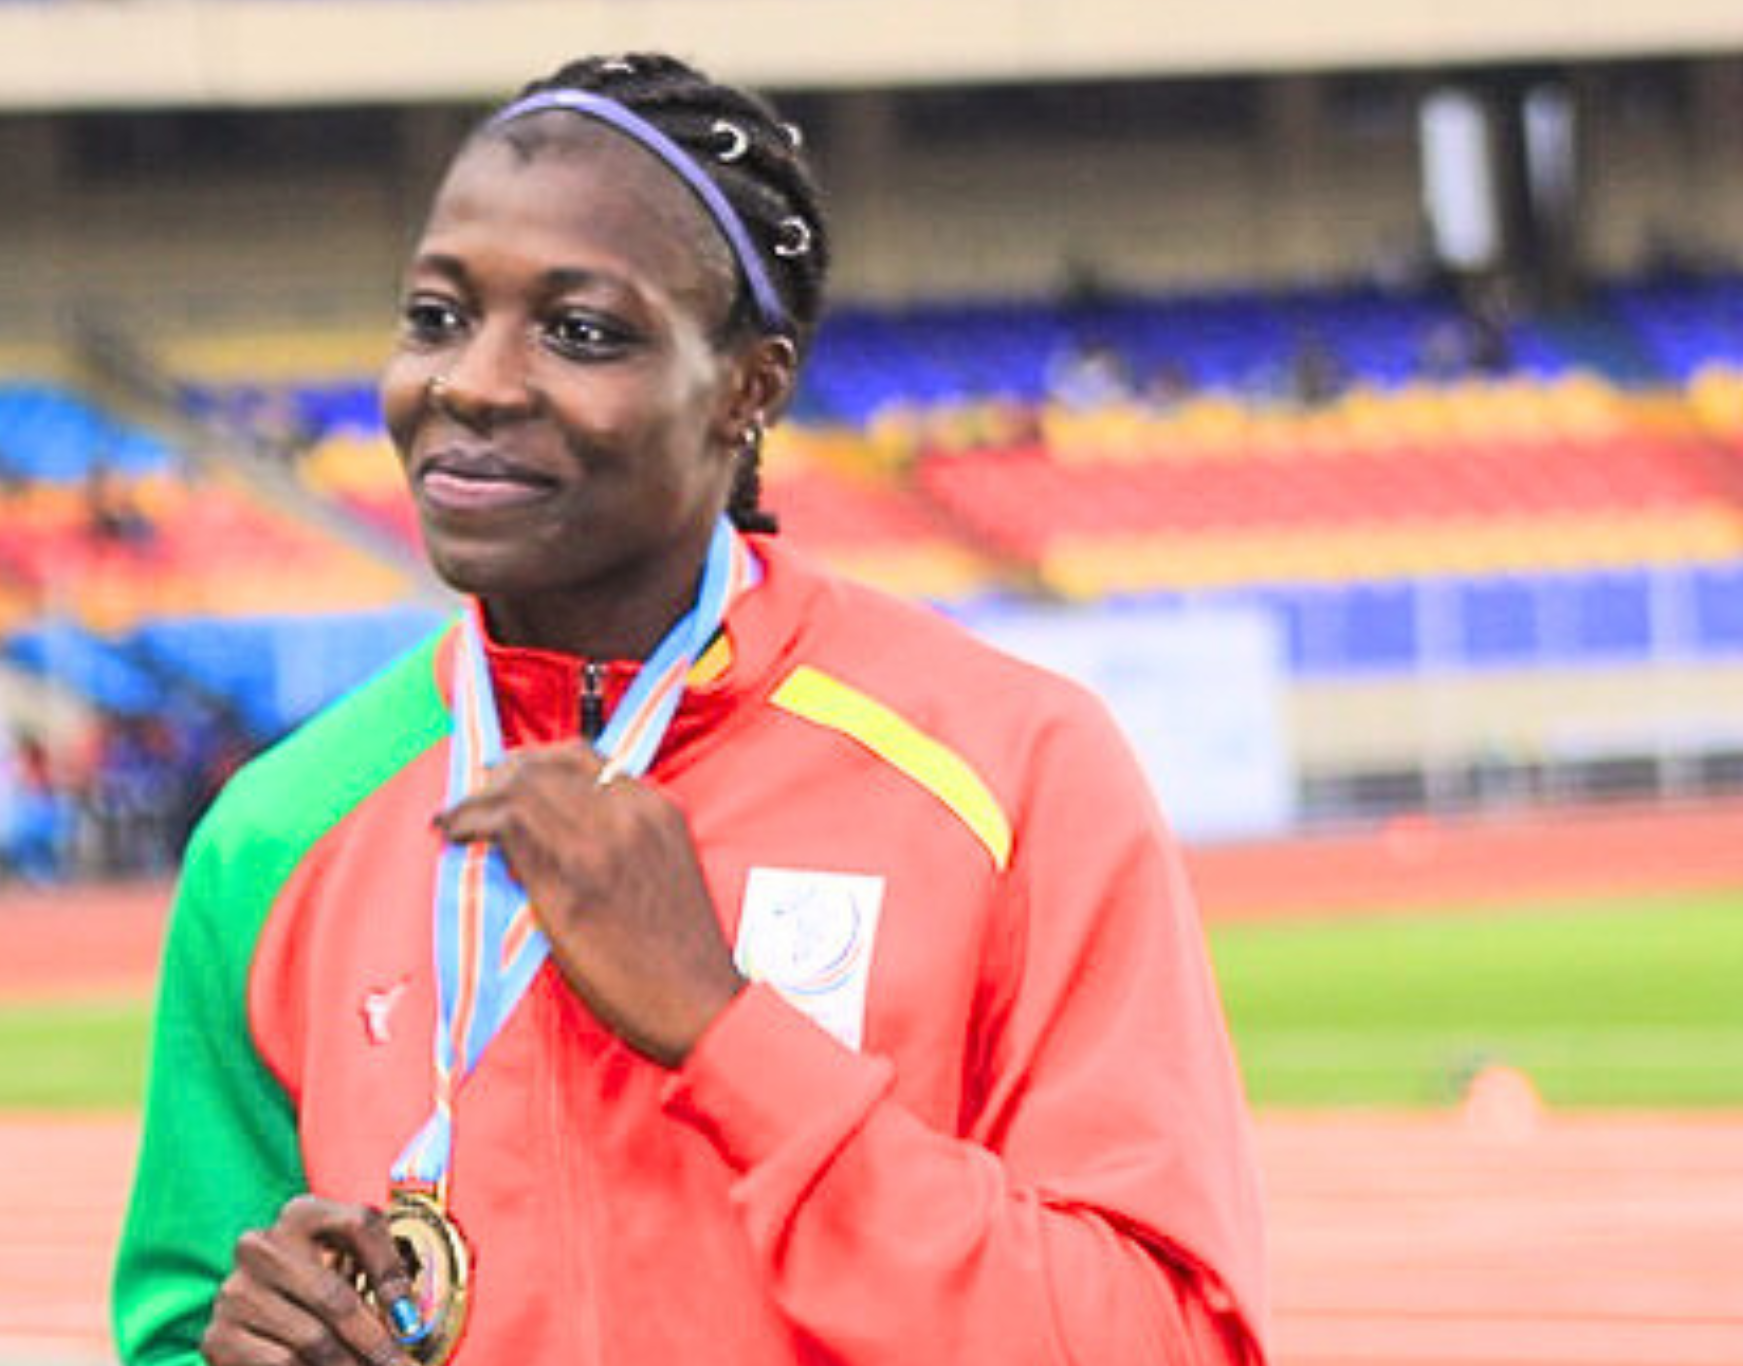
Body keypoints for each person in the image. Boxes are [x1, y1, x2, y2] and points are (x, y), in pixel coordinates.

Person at [112, 52, 1267, 1366]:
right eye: (436, 316)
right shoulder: (277, 833)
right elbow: (181, 1320)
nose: (474, 383)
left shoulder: (1010, 770)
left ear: (749, 387)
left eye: (581, 329)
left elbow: (1168, 1337)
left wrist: (725, 1028)